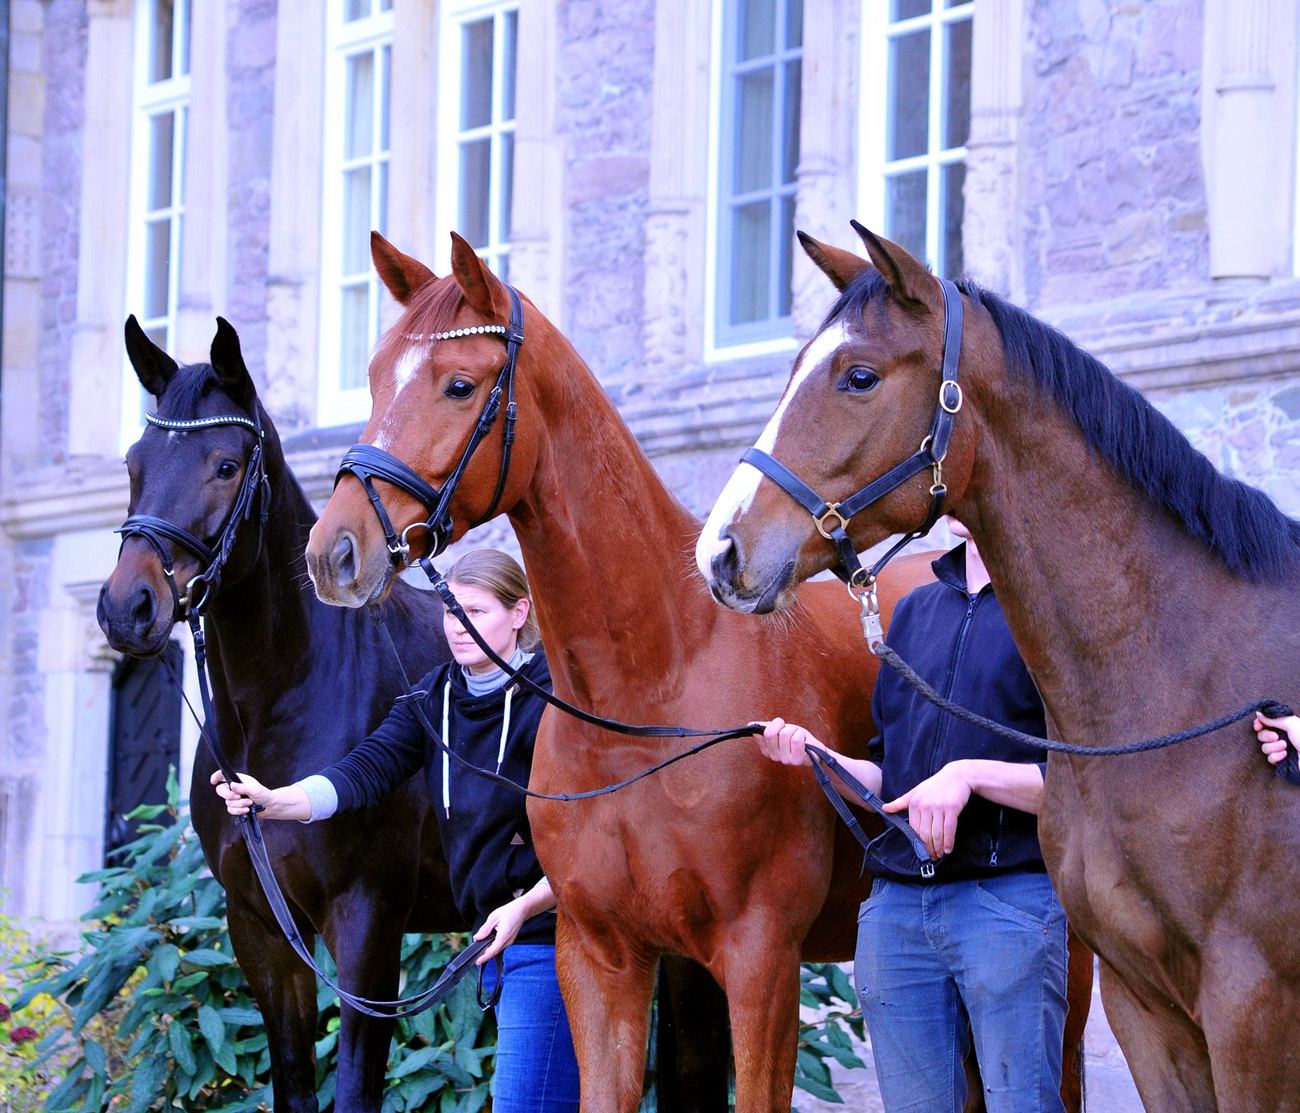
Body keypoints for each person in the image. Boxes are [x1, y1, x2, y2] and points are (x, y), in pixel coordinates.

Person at [213, 549, 579, 1113]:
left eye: (476, 612)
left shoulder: (553, 699)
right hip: (503, 944)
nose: (458, 627)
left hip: (554, 938)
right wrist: (272, 801)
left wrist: (526, 907)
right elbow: (364, 770)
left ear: (517, 613)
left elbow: (593, 845)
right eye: (450, 611)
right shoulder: (435, 697)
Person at [757, 518, 1067, 1113]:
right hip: (896, 912)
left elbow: (1086, 786)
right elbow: (888, 780)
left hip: (1005, 903)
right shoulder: (914, 611)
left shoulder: (1051, 609)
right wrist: (817, 756)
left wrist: (969, 776)